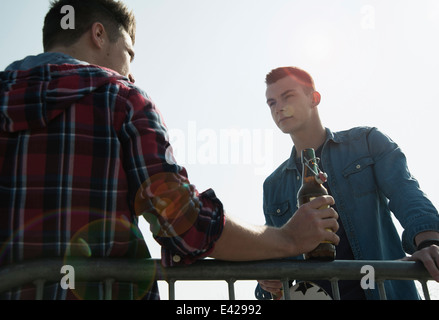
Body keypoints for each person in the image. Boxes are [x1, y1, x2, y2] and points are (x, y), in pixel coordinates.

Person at [0, 1, 340, 300]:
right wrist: (289, 239)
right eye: (129, 53)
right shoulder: (121, 100)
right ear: (99, 35)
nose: (130, 70)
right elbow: (186, 225)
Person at [256, 66, 439, 300]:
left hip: (382, 293)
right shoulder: (274, 185)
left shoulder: (367, 142)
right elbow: (276, 254)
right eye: (271, 103)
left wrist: (429, 243)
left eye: (287, 96)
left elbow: (406, 193)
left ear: (314, 98)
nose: (279, 107)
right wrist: (267, 281)